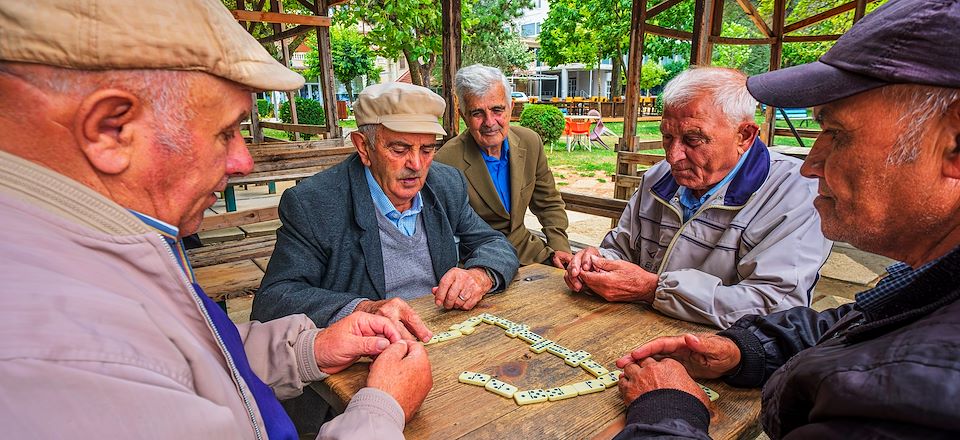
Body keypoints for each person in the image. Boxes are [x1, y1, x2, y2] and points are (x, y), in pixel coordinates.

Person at [0, 0, 432, 438]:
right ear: (110, 130)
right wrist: (381, 409)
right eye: (226, 131)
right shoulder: (61, 352)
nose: (243, 160)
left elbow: (196, 359)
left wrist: (309, 348)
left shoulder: (103, 241)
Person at [613, 0, 960, 438]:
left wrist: (667, 411)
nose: (812, 165)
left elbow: (780, 301)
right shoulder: (923, 284)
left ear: (955, 144)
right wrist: (744, 349)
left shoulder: (921, 393)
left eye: (836, 133)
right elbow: (847, 323)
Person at [564, 67, 832, 329]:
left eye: (693, 139)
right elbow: (622, 250)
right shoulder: (658, 178)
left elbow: (774, 306)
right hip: (637, 330)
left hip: (721, 355)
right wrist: (597, 261)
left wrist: (653, 289)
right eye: (667, 137)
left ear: (745, 136)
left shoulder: (794, 193)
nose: (672, 156)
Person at [252, 82, 519, 336]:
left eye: (427, 149)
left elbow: (495, 243)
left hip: (443, 335)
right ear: (363, 147)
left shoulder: (446, 184)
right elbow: (273, 300)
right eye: (400, 149)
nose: (416, 164)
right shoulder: (315, 203)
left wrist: (479, 276)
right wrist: (363, 309)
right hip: (364, 356)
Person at [436, 64, 573, 267]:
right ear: (463, 115)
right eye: (477, 113)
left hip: (531, 255)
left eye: (497, 110)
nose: (490, 122)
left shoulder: (530, 142)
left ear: (510, 107)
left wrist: (560, 247)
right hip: (479, 266)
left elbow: (548, 203)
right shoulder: (445, 162)